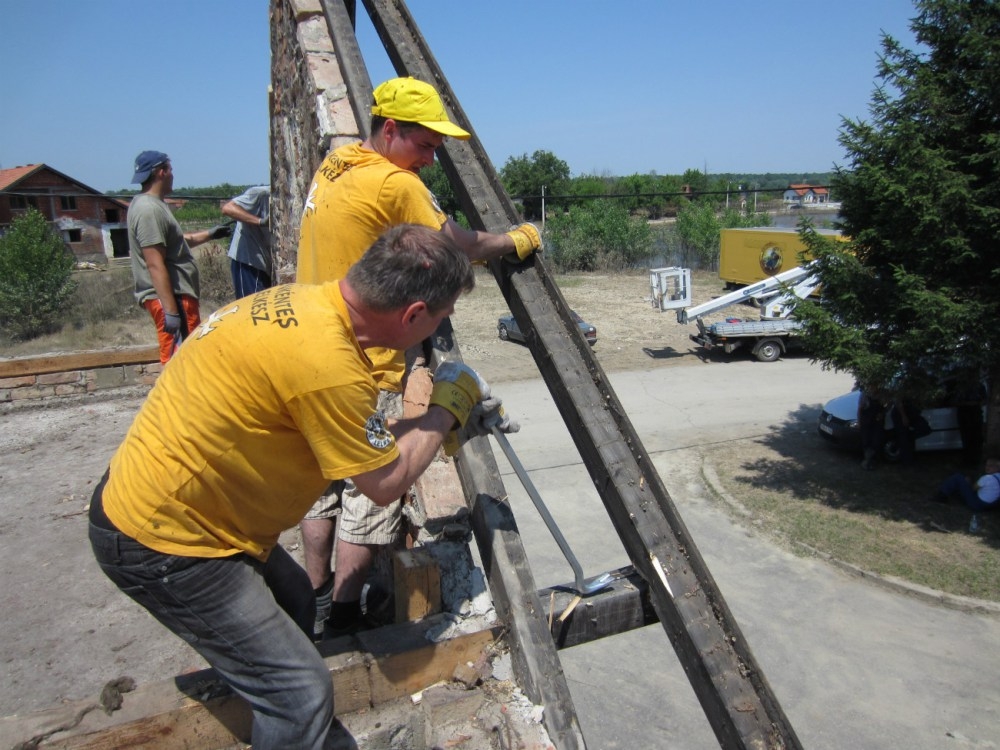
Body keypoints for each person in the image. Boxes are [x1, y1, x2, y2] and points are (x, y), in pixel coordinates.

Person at [88, 224, 517, 750]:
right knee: (301, 692)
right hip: (166, 542)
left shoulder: (307, 304)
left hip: (185, 504)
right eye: (440, 316)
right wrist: (448, 408)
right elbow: (385, 482)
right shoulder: (328, 365)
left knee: (295, 599)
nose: (439, 327)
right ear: (412, 316)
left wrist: (432, 423)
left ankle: (279, 711)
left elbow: (352, 438)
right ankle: (286, 709)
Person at [297, 76, 542, 638]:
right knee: (368, 492)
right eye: (425, 145)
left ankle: (313, 597)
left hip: (313, 342)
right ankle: (344, 617)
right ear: (389, 129)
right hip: (366, 358)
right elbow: (458, 244)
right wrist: (515, 240)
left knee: (322, 483)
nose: (431, 160)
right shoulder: (396, 183)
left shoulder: (337, 164)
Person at [127, 151, 232, 363]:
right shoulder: (148, 210)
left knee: (186, 358)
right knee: (180, 361)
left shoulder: (153, 205)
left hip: (176, 297)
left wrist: (211, 234)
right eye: (171, 170)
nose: (173, 175)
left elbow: (175, 243)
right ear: (161, 172)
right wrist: (171, 312)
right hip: (173, 296)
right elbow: (154, 263)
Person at [221, 185, 273, 297]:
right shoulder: (260, 193)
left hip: (264, 264)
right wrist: (260, 221)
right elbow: (228, 208)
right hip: (248, 262)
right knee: (253, 302)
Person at [930, 457, 1000, 512]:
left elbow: (973, 489)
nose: (987, 467)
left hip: (978, 505)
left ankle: (941, 496)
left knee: (958, 477)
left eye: (991, 466)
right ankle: (952, 492)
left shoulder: (987, 478)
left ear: (997, 467)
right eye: (986, 465)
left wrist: (967, 482)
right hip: (991, 506)